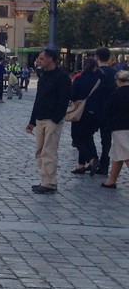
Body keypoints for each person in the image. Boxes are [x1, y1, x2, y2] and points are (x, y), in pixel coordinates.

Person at [25, 48, 72, 194]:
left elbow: (63, 100)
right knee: (39, 151)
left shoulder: (62, 77)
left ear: (50, 59)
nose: (38, 61)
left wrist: (56, 119)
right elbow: (39, 99)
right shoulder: (43, 75)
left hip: (52, 119)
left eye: (41, 59)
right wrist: (32, 120)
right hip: (40, 118)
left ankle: (49, 182)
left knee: (49, 151)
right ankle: (45, 178)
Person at [68, 56, 105, 175]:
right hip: (95, 113)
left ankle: (92, 159)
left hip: (81, 112)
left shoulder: (80, 78)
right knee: (88, 137)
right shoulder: (100, 79)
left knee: (77, 138)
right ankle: (83, 164)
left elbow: (72, 95)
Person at [99, 70, 129, 188]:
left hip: (120, 127)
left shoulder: (117, 94)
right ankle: (111, 180)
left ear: (118, 81)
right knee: (118, 154)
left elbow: (107, 111)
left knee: (126, 154)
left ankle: (112, 180)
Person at [92, 47, 117, 175]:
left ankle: (92, 159)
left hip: (96, 110)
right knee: (106, 140)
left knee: (84, 135)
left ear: (97, 57)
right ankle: (104, 164)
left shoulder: (97, 72)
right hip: (111, 111)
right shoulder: (115, 73)